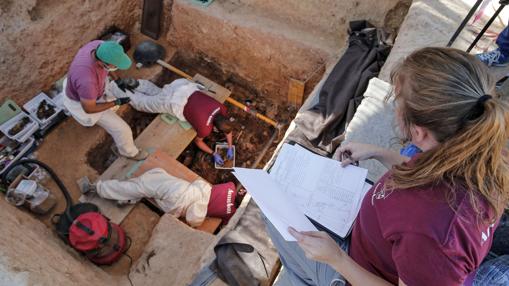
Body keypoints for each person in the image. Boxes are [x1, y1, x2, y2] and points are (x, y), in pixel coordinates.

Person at [265, 47, 509, 285]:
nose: (395, 110)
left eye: (397, 103)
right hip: (378, 246)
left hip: (361, 269)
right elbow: (424, 171)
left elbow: (428, 234)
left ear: (418, 132)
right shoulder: (474, 151)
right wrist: (379, 153)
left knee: (277, 223)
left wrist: (336, 259)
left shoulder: (432, 236)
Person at [63, 40, 148, 160]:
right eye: (115, 66)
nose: (116, 67)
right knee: (123, 130)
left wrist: (118, 80)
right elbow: (89, 108)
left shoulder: (99, 47)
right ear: (102, 63)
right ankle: (129, 152)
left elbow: (109, 68)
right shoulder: (87, 80)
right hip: (83, 102)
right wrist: (116, 102)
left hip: (88, 88)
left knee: (110, 95)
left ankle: (107, 100)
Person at [126, 79, 234, 166]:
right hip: (173, 101)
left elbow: (227, 130)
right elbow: (198, 142)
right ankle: (121, 91)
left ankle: (136, 83)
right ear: (215, 128)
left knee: (158, 92)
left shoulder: (221, 108)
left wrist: (230, 146)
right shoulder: (205, 129)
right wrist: (213, 153)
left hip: (182, 86)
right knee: (144, 104)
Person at [79, 168, 238, 226]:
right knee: (149, 181)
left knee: (145, 183)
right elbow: (193, 220)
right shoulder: (231, 214)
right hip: (176, 204)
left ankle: (98, 189)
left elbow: (201, 184)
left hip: (179, 192)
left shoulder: (230, 187)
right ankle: (125, 197)